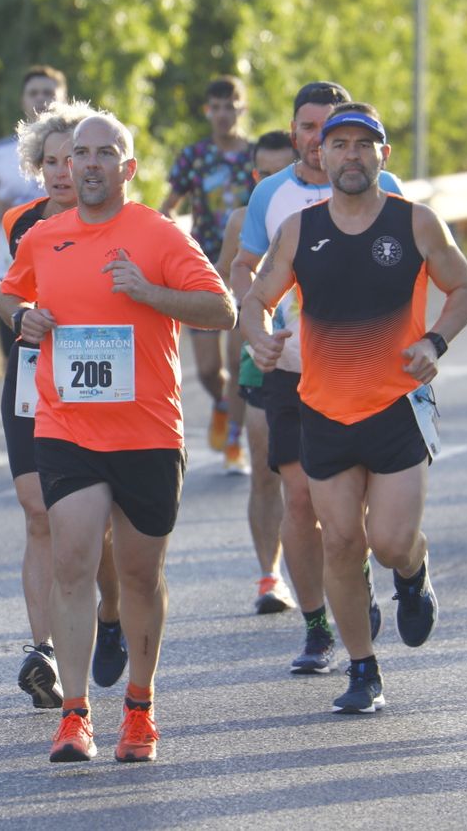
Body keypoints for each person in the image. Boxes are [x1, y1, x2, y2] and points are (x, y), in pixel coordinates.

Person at [0, 108, 234, 763]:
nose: (91, 163)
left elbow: (222, 309)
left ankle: (139, 706)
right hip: (67, 425)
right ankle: (75, 716)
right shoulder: (44, 238)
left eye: (106, 153)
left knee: (136, 573)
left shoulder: (158, 234)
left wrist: (151, 292)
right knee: (72, 560)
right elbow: (4, 293)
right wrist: (25, 315)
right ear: (67, 166)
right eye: (81, 153)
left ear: (127, 168)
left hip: (147, 431)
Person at [241, 106, 467, 714]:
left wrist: (435, 341)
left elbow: (465, 289)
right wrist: (259, 335)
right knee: (342, 543)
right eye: (338, 144)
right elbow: (257, 298)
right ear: (320, 156)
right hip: (323, 409)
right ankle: (363, 669)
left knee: (390, 540)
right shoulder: (298, 228)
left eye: (362, 146)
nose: (350, 155)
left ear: (383, 156)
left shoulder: (417, 222)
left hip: (395, 404)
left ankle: (413, 569)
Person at [230, 82, 404, 670]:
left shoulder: (389, 191)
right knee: (299, 500)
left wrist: (423, 347)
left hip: (373, 377)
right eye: (308, 128)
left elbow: (420, 272)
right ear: (301, 133)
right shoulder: (271, 196)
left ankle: (369, 581)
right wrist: (256, 335)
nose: (319, 141)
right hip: (292, 367)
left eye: (333, 129)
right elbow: (244, 268)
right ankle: (316, 625)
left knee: (357, 518)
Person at [0, 105, 126, 708]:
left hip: (105, 375)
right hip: (31, 372)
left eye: (74, 159)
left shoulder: (126, 222)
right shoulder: (20, 222)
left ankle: (114, 611)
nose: (63, 172)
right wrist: (20, 315)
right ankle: (42, 648)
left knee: (97, 526)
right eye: (50, 162)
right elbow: (0, 291)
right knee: (38, 509)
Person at [214, 131, 298, 610]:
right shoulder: (243, 221)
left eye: (278, 172)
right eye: (262, 173)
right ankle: (270, 577)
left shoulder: (323, 217)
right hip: (260, 357)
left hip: (320, 358)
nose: (270, 181)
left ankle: (341, 570)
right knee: (267, 472)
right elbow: (230, 295)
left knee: (318, 483)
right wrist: (232, 366)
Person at [159, 76, 257, 465]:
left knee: (237, 362)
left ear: (242, 108)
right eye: (215, 107)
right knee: (207, 369)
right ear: (207, 111)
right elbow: (168, 206)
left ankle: (234, 440)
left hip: (246, 267)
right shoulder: (194, 156)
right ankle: (222, 405)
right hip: (201, 270)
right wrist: (177, 244)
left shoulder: (255, 157)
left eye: (229, 105)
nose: (222, 114)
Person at [0, 65, 69, 357]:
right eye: (33, 93)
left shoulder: (81, 147)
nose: (41, 99)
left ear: (64, 97)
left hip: (69, 269)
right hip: (12, 272)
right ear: (23, 100)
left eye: (49, 92)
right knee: (19, 366)